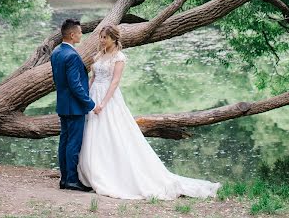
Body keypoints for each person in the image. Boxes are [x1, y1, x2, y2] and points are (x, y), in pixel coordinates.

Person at [77, 25, 221, 200]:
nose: (101, 40)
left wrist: (103, 104)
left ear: (114, 39)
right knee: (93, 133)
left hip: (108, 99)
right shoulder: (99, 56)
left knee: (111, 133)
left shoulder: (119, 57)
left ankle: (113, 174)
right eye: (101, 37)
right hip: (94, 97)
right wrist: (87, 99)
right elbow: (93, 78)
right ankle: (93, 172)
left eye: (105, 37)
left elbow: (114, 82)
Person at [50, 18, 95, 192]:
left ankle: (64, 179)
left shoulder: (56, 52)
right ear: (72, 34)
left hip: (62, 104)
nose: (81, 34)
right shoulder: (72, 56)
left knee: (64, 142)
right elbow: (75, 85)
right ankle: (71, 180)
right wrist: (90, 104)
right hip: (75, 107)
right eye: (79, 32)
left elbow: (58, 80)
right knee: (73, 144)